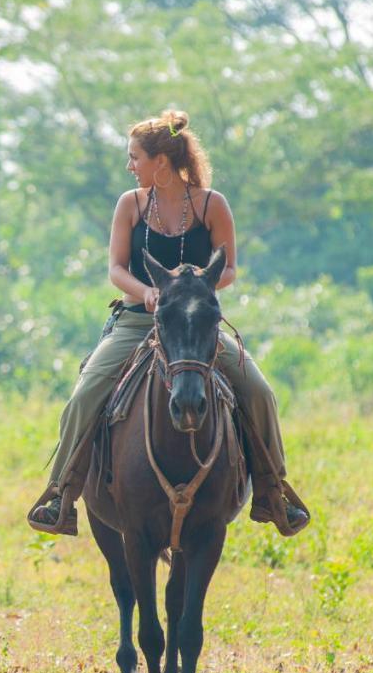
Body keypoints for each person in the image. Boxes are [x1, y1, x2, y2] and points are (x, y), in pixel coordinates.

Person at [26, 110, 309, 537]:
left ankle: (273, 493)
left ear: (160, 161)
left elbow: (229, 269)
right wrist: (148, 293)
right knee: (84, 395)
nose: (130, 166)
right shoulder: (130, 204)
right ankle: (61, 496)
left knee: (260, 392)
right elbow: (116, 270)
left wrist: (192, 287)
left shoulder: (213, 204)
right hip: (138, 322)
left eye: (135, 157)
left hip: (194, 329)